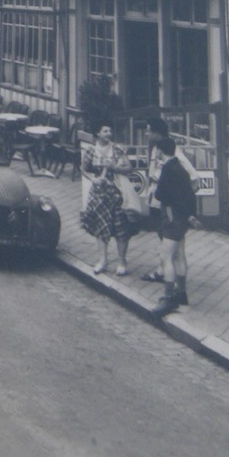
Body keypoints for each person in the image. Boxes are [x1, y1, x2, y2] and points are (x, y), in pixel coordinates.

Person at [80, 126, 140, 276]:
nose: (109, 134)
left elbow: (128, 168)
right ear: (97, 133)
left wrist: (114, 167)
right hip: (99, 194)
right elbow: (84, 168)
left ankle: (122, 261)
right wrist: (93, 179)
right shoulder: (91, 151)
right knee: (101, 227)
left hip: (118, 193)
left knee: (121, 228)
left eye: (110, 131)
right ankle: (102, 260)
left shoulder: (118, 149)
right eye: (105, 131)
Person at [148, 135, 197, 315]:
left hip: (170, 216)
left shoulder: (167, 170)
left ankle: (168, 298)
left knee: (166, 256)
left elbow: (160, 195)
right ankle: (181, 293)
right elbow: (190, 194)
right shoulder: (181, 168)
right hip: (182, 217)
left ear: (160, 150)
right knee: (179, 255)